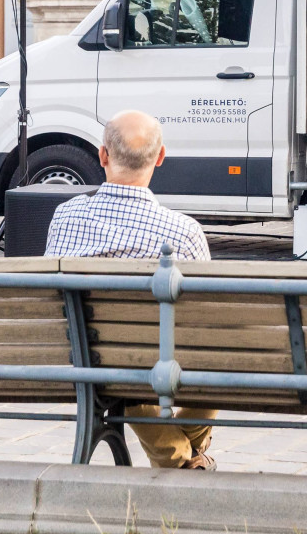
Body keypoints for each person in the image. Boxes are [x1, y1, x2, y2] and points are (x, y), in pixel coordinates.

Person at [45, 109, 217, 470]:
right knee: (217, 354)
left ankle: (183, 459)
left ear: (102, 155)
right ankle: (185, 461)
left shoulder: (65, 216)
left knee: (129, 360)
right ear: (160, 157)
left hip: (82, 363)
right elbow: (207, 316)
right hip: (161, 363)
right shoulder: (183, 232)